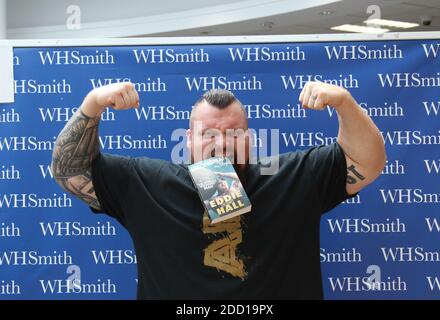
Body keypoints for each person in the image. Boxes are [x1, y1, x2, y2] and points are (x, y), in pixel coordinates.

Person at [51, 81, 386, 299]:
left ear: (251, 138)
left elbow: (367, 162)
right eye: (209, 134)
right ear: (188, 141)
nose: (222, 144)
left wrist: (344, 103)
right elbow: (70, 171)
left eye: (234, 132)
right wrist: (92, 104)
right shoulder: (145, 182)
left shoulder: (294, 176)